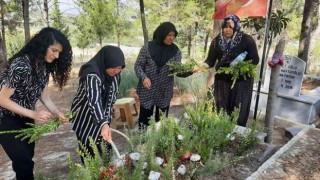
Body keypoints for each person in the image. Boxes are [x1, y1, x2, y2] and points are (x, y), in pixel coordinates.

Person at [0, 27, 73, 180]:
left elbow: (44, 95)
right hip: (5, 118)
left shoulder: (43, 67)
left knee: (27, 158)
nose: (57, 55)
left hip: (24, 117)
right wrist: (33, 113)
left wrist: (57, 113)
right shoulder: (21, 65)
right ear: (42, 45)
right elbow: (2, 99)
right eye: (54, 50)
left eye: (59, 52)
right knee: (23, 161)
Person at [201, 14, 259, 127]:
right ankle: (221, 132)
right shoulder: (216, 41)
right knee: (221, 109)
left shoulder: (247, 40)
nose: (227, 30)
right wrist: (202, 66)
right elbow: (210, 60)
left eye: (230, 27)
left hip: (241, 81)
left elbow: (255, 59)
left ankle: (237, 135)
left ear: (236, 27)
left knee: (238, 109)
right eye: (225, 27)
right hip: (222, 81)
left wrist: (241, 67)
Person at [70, 45, 125, 162]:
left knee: (105, 147)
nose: (116, 71)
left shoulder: (116, 74)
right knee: (89, 149)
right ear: (105, 63)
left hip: (103, 113)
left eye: (119, 68)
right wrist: (103, 123)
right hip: (85, 115)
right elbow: (94, 101)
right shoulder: (92, 74)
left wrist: (111, 105)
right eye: (113, 67)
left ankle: (107, 171)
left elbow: (113, 91)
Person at [134, 22, 193, 129]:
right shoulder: (147, 48)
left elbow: (177, 71)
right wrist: (144, 78)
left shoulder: (175, 51)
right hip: (147, 89)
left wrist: (190, 70)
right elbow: (138, 66)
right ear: (162, 34)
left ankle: (158, 142)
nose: (172, 38)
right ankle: (142, 142)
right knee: (144, 120)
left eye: (173, 35)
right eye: (169, 35)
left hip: (164, 91)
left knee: (161, 122)